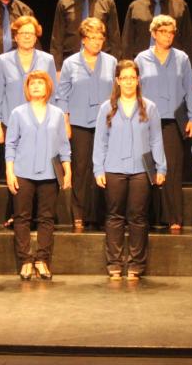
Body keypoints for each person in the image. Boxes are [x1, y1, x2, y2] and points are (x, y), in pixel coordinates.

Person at [93, 60, 167, 280]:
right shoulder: (107, 108)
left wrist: (161, 167)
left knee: (138, 217)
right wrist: (98, 169)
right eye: (124, 78)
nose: (128, 82)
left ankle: (136, 264)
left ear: (138, 80)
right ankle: (114, 263)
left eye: (132, 78)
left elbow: (156, 140)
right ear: (117, 80)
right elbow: (100, 141)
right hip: (113, 168)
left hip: (140, 171)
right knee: (114, 217)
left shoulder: (149, 107)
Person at [6, 71, 71, 281]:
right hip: (23, 171)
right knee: (22, 217)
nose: (36, 86)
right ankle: (25, 260)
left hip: (49, 173)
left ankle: (42, 260)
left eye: (40, 83)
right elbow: (10, 145)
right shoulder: (17, 113)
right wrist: (9, 171)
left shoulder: (57, 114)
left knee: (46, 218)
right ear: (27, 88)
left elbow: (63, 145)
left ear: (48, 88)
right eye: (32, 83)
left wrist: (67, 169)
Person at [0, 15, 57, 225]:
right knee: (16, 169)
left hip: (41, 122)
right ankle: (17, 214)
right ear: (15, 36)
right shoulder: (3, 60)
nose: (27, 37)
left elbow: (53, 93)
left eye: (31, 33)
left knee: (40, 166)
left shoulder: (47, 60)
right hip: (11, 123)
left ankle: (39, 215)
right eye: (23, 33)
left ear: (36, 36)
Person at [135, 15, 192, 231]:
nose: (168, 36)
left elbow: (190, 89)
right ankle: (147, 217)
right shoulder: (142, 59)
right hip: (147, 120)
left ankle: (174, 217)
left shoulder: (182, 58)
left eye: (171, 32)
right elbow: (135, 89)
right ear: (153, 34)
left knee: (172, 169)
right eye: (163, 32)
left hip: (173, 121)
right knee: (146, 168)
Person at [55, 17, 117, 230]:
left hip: (106, 123)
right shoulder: (70, 63)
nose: (96, 42)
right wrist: (65, 121)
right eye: (92, 37)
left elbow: (117, 93)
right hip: (79, 122)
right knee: (81, 168)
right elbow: (62, 95)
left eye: (100, 38)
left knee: (103, 167)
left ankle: (100, 214)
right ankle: (79, 213)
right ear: (83, 39)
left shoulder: (111, 62)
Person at [122, 0, 192, 72]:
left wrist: (189, 68)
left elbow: (188, 40)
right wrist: (128, 68)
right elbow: (127, 42)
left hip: (173, 65)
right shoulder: (135, 7)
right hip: (143, 65)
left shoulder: (180, 5)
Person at [50, 0, 121, 69]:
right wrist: (57, 68)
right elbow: (57, 40)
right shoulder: (64, 3)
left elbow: (115, 39)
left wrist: (115, 68)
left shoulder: (108, 2)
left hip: (102, 63)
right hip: (71, 62)